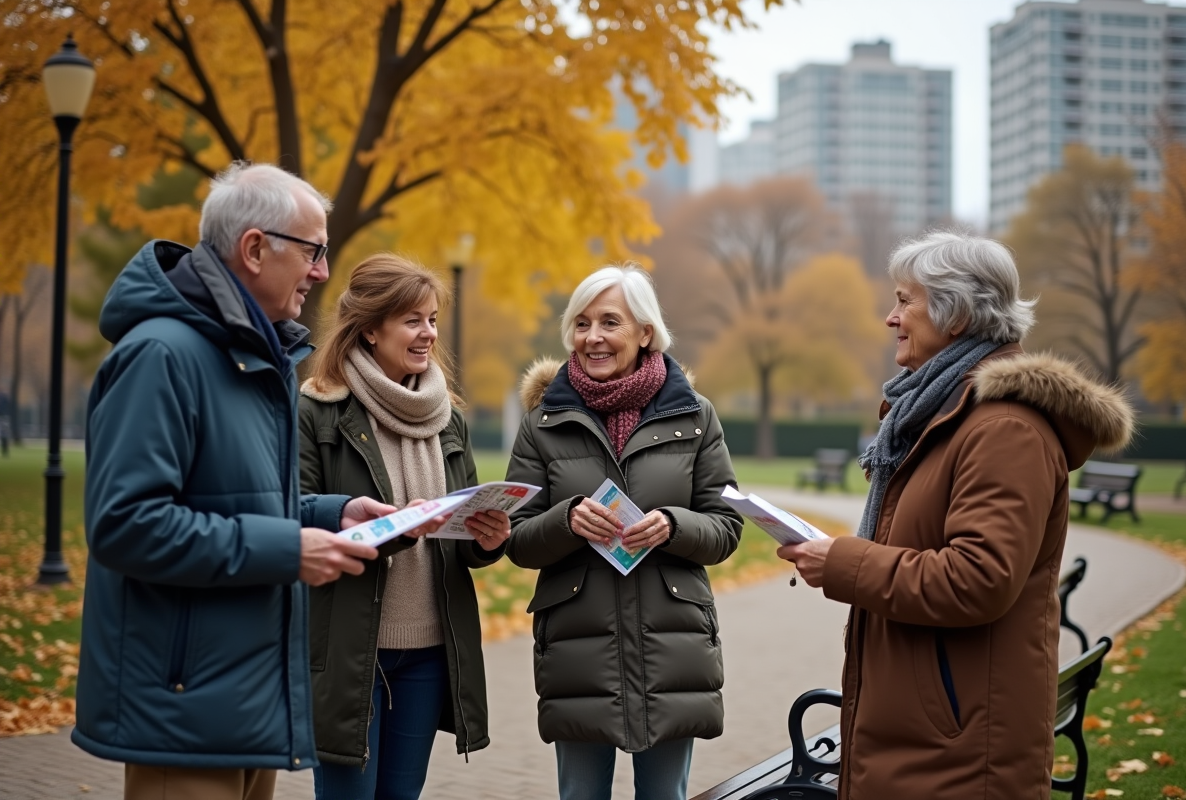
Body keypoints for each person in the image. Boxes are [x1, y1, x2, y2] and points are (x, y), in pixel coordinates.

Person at [73, 163, 438, 800]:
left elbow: (239, 503)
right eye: (313, 251)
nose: (322, 271)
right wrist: (288, 550)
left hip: (243, 701)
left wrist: (330, 515)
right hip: (181, 709)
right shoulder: (162, 355)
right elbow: (125, 525)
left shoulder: (251, 358)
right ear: (253, 248)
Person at [778, 231, 1135, 800]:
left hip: (961, 749)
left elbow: (977, 579)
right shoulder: (945, 413)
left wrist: (844, 562)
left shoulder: (1003, 429)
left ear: (958, 313)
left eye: (904, 300)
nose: (890, 318)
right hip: (930, 734)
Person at [505, 264, 742, 800]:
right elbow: (515, 539)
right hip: (577, 650)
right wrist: (567, 520)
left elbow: (727, 527)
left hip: (672, 645)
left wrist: (673, 526)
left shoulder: (696, 418)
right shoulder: (543, 423)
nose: (593, 337)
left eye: (610, 322)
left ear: (645, 333)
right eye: (582, 323)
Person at [298, 254, 510, 800]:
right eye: (413, 320)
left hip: (429, 652)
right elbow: (290, 510)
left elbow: (461, 529)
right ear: (370, 328)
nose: (428, 333)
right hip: (349, 649)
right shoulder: (318, 411)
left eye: (433, 319)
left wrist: (486, 538)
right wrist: (370, 521)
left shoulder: (449, 417)